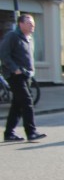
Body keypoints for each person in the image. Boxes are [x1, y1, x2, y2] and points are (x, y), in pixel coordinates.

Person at [1, 14, 45, 142]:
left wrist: (31, 71)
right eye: (29, 24)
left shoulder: (29, 38)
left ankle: (9, 133)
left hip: (27, 75)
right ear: (21, 24)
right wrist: (15, 69)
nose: (33, 26)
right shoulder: (12, 36)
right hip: (15, 76)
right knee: (27, 101)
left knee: (17, 105)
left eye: (34, 24)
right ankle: (31, 132)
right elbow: (3, 54)